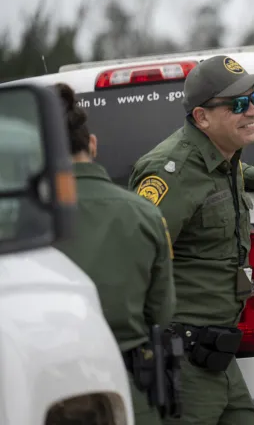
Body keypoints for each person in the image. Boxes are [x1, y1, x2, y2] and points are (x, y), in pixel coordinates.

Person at [129, 55, 254, 425]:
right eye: (238, 104)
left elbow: (221, 178)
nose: (252, 111)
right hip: (183, 359)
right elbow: (134, 260)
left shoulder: (224, 157)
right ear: (202, 118)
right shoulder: (170, 171)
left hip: (218, 356)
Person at [52, 83, 176, 425]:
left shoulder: (22, 219)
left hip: (46, 390)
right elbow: (161, 313)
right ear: (92, 145)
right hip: (126, 392)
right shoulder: (145, 213)